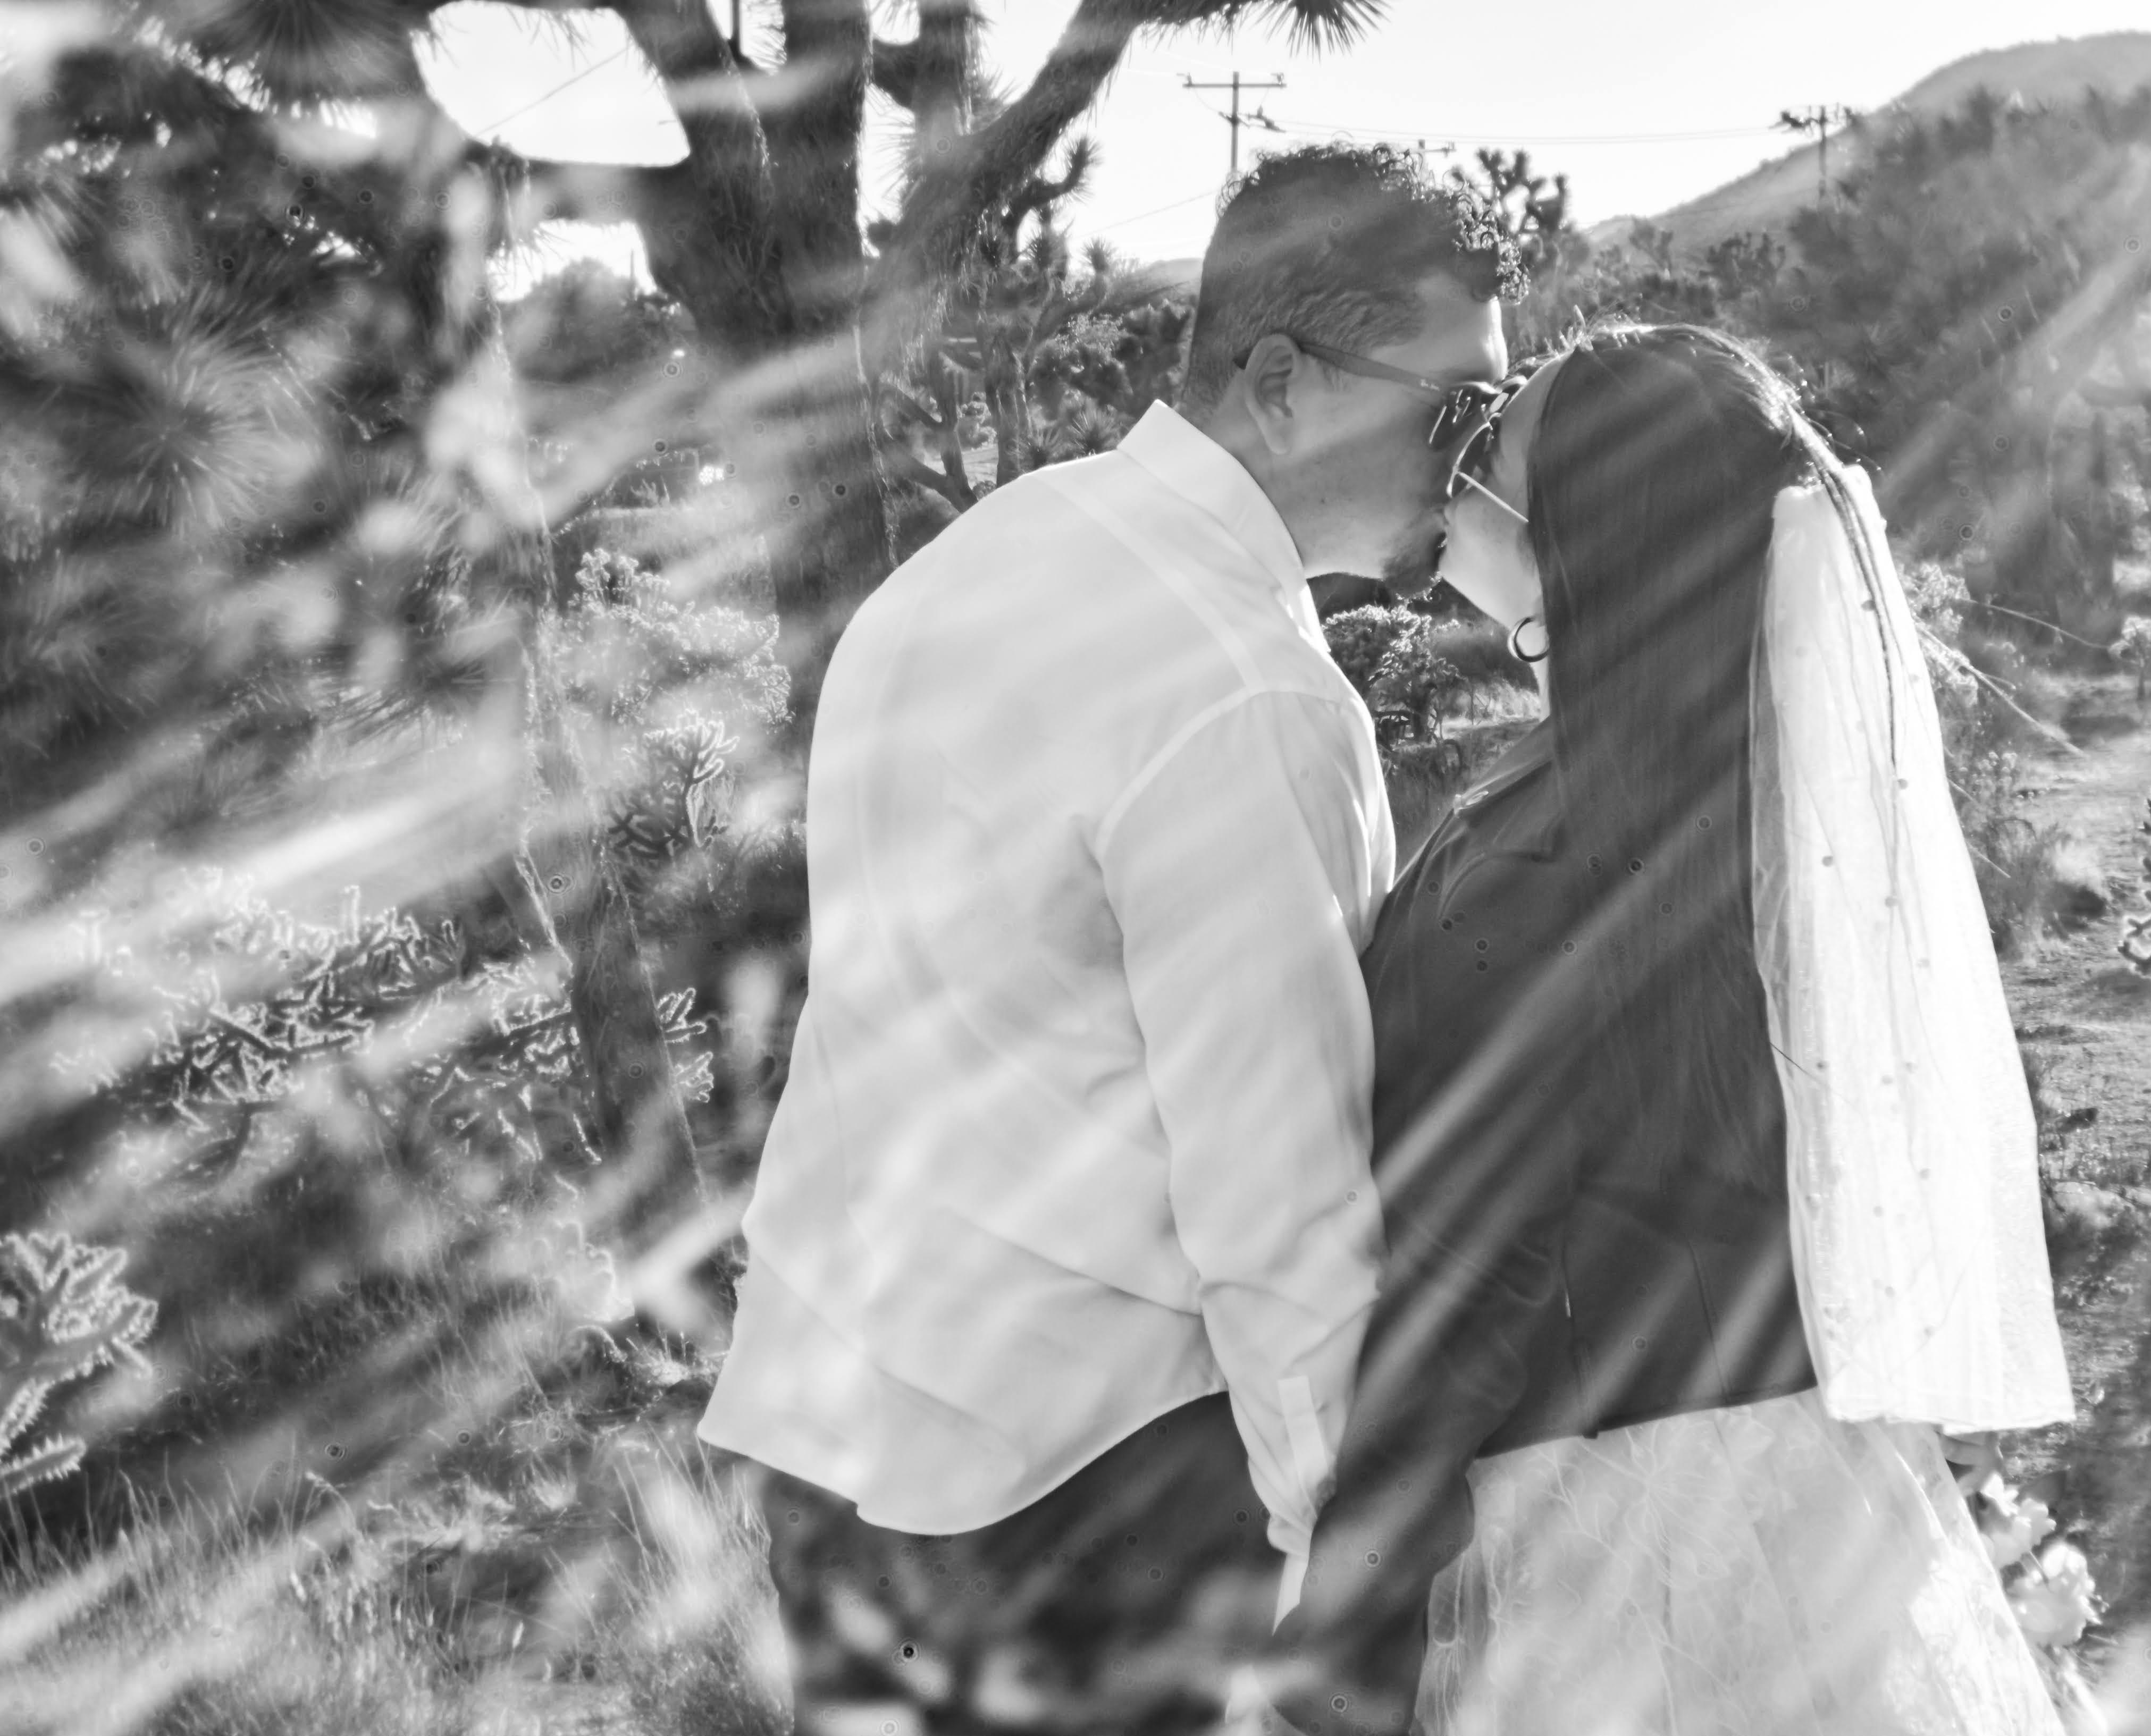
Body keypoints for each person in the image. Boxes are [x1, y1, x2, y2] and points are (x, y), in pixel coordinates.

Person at [694, 145, 1523, 1735]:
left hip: (839, 1438)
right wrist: (1345, 1565)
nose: (1475, 464)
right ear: (1279, 383)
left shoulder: (972, 563)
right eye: (1451, 412)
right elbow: (1277, 1193)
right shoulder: (1247, 691)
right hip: (1090, 1498)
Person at [1267, 324, 2078, 1736]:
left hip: (1603, 1558)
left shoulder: (1538, 870)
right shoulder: (1767, 814)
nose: (1457, 465)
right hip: (1811, 1512)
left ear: (1585, 532)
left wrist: (1338, 1655)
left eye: (1491, 445)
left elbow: (1465, 1293)